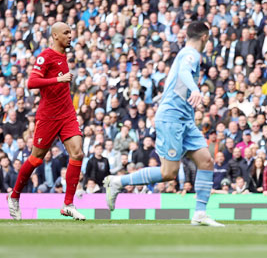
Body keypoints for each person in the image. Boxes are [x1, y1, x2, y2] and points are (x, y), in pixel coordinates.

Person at [103, 21, 223, 226]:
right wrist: (195, 89)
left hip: (184, 119)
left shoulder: (186, 53)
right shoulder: (190, 54)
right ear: (205, 38)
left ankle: (200, 213)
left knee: (206, 161)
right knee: (169, 173)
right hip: (171, 118)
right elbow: (185, 72)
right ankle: (117, 182)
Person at [7, 22, 87, 220]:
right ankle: (14, 196)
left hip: (67, 113)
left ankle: (67, 204)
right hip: (48, 116)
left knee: (77, 153)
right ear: (55, 36)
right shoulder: (45, 56)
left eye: (71, 31)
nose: (71, 35)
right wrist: (57, 80)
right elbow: (32, 83)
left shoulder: (63, 55)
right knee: (36, 158)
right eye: (66, 32)